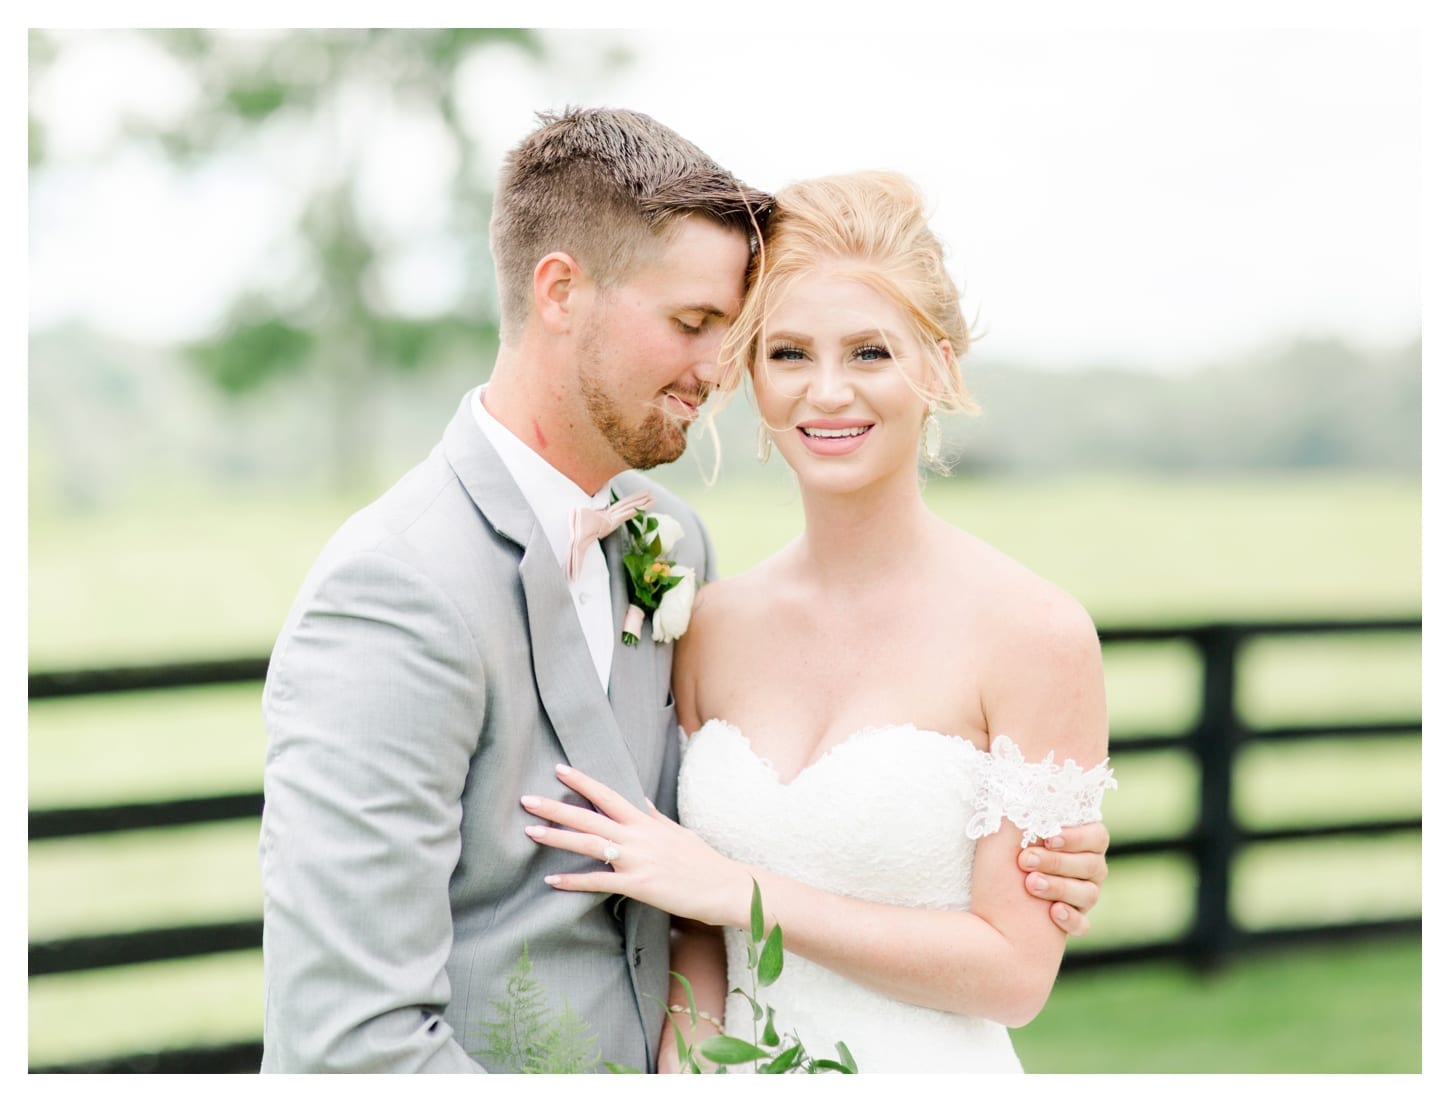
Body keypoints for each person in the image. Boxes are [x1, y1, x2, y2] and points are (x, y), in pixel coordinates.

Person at [259, 107, 1107, 1074]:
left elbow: (710, 879)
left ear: (938, 366)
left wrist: (1018, 868)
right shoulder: (397, 590)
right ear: (561, 291)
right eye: (712, 330)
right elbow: (349, 1043)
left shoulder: (670, 546)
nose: (721, 372)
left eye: (868, 351)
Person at [520, 171, 1114, 1072]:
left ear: (939, 363)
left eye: (870, 352)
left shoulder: (1034, 634)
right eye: (789, 353)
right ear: (749, 373)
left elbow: (1014, 976)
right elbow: (693, 940)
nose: (827, 392)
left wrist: (739, 890)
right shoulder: (709, 625)